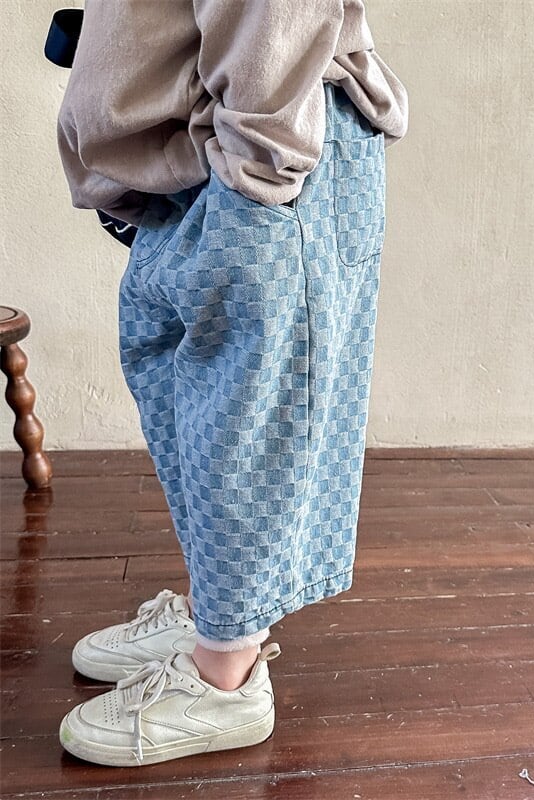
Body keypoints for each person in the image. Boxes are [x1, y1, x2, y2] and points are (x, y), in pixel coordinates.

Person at [53, 0, 408, 767]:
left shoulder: (258, 158)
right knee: (187, 406)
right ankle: (211, 611)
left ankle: (226, 676)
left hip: (259, 150)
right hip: (205, 153)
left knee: (242, 426)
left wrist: (256, 174)